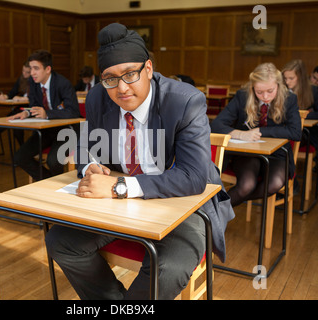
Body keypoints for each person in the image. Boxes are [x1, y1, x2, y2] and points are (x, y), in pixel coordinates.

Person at [44, 23, 234, 300]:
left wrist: (117, 186)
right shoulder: (99, 96)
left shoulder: (184, 101)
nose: (121, 88)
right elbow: (85, 146)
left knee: (168, 267)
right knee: (60, 242)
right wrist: (90, 166)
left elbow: (193, 177)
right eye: (110, 78)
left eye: (130, 74)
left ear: (148, 69)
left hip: (185, 204)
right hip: (121, 205)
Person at [211, 62, 302, 207]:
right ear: (253, 87)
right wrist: (240, 134)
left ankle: (212, 210)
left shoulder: (289, 99)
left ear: (278, 85)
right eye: (259, 92)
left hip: (277, 154)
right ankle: (214, 211)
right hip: (247, 153)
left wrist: (260, 131)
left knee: (275, 183)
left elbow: (296, 132)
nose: (265, 96)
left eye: (270, 91)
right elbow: (215, 125)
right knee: (246, 185)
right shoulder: (243, 96)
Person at [8, 50, 81, 180]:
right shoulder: (34, 83)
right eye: (31, 68)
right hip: (47, 130)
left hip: (67, 131)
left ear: (48, 69)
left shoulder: (63, 84)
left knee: (53, 161)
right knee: (20, 157)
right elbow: (34, 106)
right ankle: (50, 183)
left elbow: (74, 112)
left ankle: (54, 187)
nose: (32, 73)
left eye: (36, 68)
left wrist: (47, 113)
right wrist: (26, 112)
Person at [283, 60, 318, 175]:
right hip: (285, 129)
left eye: (291, 78)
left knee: (282, 145)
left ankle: (289, 181)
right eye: (285, 78)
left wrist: (302, 114)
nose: (287, 82)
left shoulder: (312, 90)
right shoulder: (280, 89)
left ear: (300, 77)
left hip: (305, 132)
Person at [0, 61, 31, 143]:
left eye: (27, 72)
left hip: (30, 108)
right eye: (23, 71)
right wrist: (5, 96)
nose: (24, 74)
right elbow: (12, 92)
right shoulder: (21, 79)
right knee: (15, 119)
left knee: (14, 117)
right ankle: (22, 148)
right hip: (21, 107)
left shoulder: (35, 80)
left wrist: (23, 98)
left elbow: (34, 97)